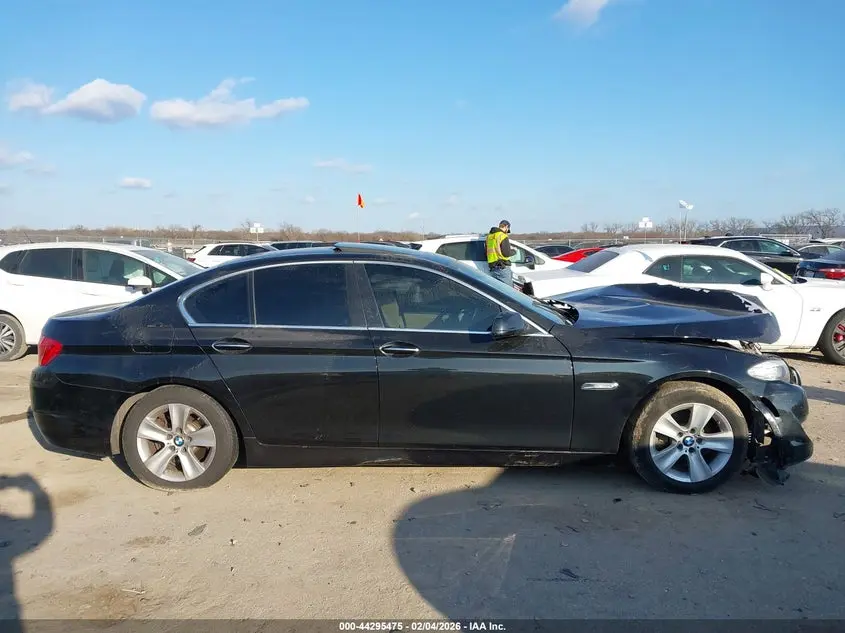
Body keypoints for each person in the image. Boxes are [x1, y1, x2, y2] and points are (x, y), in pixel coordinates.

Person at [485, 220, 514, 286]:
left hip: (492, 267)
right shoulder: (502, 236)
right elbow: (506, 253)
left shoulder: (489, 237)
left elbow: (486, 252)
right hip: (502, 267)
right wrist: (514, 251)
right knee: (508, 292)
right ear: (506, 227)